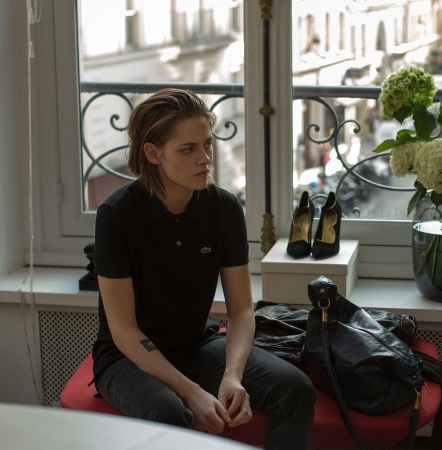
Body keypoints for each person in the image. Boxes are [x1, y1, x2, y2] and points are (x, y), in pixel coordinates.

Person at [91, 88, 315, 449]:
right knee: (169, 413)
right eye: (188, 149)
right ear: (153, 153)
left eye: (207, 145)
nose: (205, 159)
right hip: (126, 358)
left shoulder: (224, 209)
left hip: (196, 345)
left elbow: (241, 310)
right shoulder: (117, 216)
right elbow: (124, 330)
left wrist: (232, 376)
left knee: (295, 389)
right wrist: (189, 390)